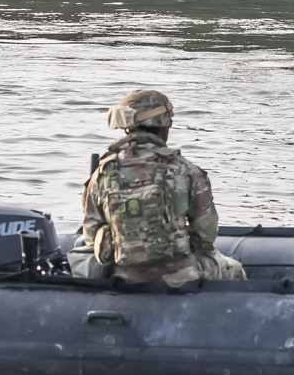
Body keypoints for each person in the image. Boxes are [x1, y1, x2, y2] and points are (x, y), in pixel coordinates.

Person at [80, 88, 246, 287]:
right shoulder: (184, 170)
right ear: (165, 124)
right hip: (178, 275)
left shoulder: (103, 172)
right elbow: (205, 235)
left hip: (123, 274)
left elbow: (90, 234)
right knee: (234, 269)